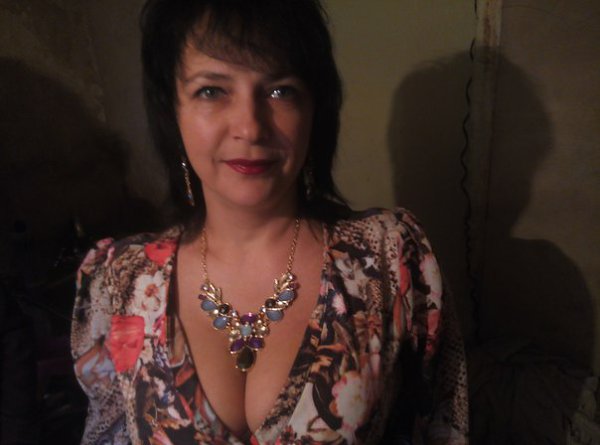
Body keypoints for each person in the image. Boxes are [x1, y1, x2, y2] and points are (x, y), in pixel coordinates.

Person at [70, 0, 468, 444]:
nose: (250, 127)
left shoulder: (390, 258)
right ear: (172, 110)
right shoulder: (119, 279)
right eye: (212, 91)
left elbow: (442, 426)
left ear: (315, 109)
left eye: (281, 91)